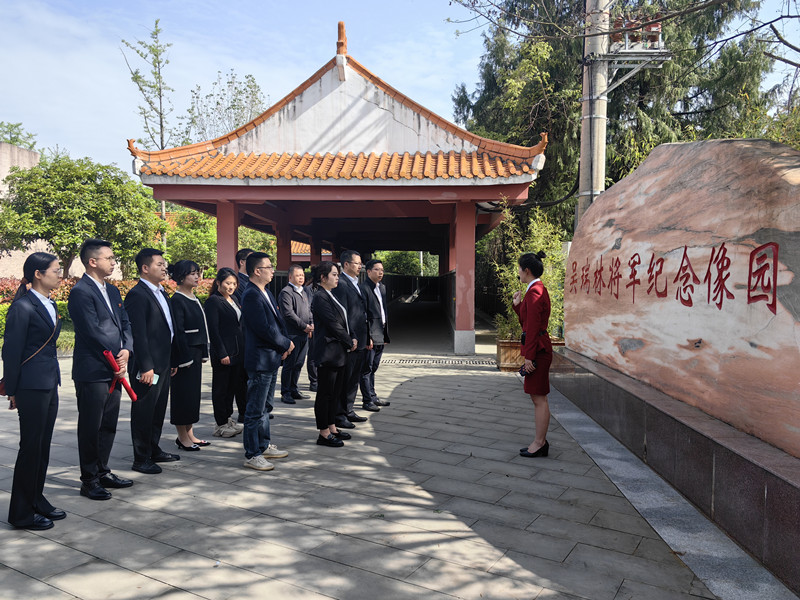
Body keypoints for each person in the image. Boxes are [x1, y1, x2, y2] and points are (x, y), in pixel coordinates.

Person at [68, 239, 134, 501]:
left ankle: (103, 470)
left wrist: (126, 350)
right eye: (109, 258)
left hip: (115, 367)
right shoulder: (80, 292)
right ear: (92, 261)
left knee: (108, 424)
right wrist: (115, 359)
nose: (114, 262)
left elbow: (125, 323)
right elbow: (92, 330)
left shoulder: (113, 291)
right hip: (94, 369)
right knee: (91, 426)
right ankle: (89, 480)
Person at [3, 252, 65, 530]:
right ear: (38, 274)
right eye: (55, 270)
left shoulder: (48, 303)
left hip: (49, 382)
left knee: (42, 446)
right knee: (30, 448)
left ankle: (36, 499)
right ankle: (21, 513)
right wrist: (12, 389)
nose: (60, 275)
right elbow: (11, 351)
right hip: (30, 385)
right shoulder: (23, 307)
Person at [124, 248, 180, 474]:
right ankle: (141, 458)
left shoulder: (161, 292)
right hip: (147, 366)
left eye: (164, 264)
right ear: (145, 268)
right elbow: (138, 334)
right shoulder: (137, 295)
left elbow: (168, 329)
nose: (164, 268)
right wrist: (145, 365)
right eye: (159, 264)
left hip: (163, 362)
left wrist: (172, 359)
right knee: (144, 410)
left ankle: (153, 448)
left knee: (157, 409)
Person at [240, 252, 293, 471]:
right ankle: (252, 453)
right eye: (269, 267)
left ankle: (263, 445)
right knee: (255, 409)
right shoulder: (251, 295)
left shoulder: (266, 292)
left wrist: (284, 344)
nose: (273, 270)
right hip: (260, 360)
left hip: (271, 358)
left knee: (266, 407)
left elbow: (278, 323)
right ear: (257, 271)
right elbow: (263, 329)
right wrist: (285, 343)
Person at [310, 262, 356, 447]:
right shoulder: (320, 297)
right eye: (334, 274)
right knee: (325, 394)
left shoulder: (331, 294)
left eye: (337, 274)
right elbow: (332, 324)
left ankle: (332, 427)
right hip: (328, 352)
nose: (337, 278)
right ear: (323, 277)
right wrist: (349, 340)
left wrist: (352, 337)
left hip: (338, 353)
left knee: (335, 393)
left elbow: (344, 320)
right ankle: (323, 433)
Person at [512, 251, 553, 458]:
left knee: (539, 398)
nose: (518, 272)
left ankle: (539, 443)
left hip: (538, 351)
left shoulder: (535, 291)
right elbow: (528, 322)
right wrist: (518, 306)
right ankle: (540, 442)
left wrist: (529, 356)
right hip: (537, 349)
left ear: (526, 270)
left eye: (519, 269)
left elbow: (534, 327)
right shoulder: (534, 290)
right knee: (537, 397)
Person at [169, 260, 210, 451]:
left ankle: (190, 433)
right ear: (181, 276)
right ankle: (182, 437)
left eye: (197, 272)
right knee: (182, 396)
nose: (196, 276)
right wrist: (184, 358)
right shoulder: (177, 300)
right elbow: (178, 331)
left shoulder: (193, 297)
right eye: (192, 273)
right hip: (184, 355)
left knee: (193, 396)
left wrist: (203, 352)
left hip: (195, 353)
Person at [332, 250, 374, 430]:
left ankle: (348, 410)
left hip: (361, 339)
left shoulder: (356, 283)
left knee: (354, 378)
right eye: (357, 263)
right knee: (345, 379)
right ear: (346, 264)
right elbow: (343, 315)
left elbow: (362, 313)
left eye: (360, 263)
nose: (360, 266)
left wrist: (368, 336)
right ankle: (339, 414)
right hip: (351, 341)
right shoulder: (341, 284)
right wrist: (350, 338)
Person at [204, 267, 246, 438]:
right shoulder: (213, 301)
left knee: (232, 388)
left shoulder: (234, 299)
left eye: (234, 283)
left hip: (237, 351)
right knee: (221, 389)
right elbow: (213, 331)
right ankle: (220, 424)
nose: (231, 286)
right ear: (218, 283)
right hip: (224, 352)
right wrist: (222, 353)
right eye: (228, 283)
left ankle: (228, 419)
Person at [278, 264, 314, 404]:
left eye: (302, 275)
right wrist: (304, 326)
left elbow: (309, 310)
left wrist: (311, 324)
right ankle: (285, 392)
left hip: (304, 333)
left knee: (299, 363)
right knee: (290, 364)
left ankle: (294, 389)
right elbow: (288, 314)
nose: (301, 278)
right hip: (292, 334)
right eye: (298, 275)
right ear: (290, 277)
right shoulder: (286, 292)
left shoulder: (304, 292)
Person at [360, 259, 390, 408]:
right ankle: (367, 400)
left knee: (374, 367)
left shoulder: (382, 288)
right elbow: (363, 314)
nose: (380, 272)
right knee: (367, 368)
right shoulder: (364, 289)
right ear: (368, 271)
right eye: (377, 270)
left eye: (382, 270)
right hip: (371, 334)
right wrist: (368, 337)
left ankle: (373, 395)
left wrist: (385, 334)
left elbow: (383, 311)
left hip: (380, 332)